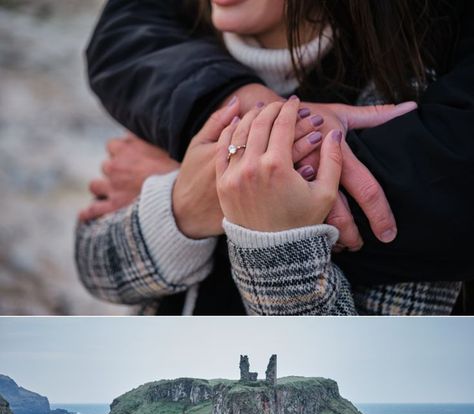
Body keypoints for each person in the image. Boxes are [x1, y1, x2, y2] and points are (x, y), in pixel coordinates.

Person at [74, 1, 468, 315]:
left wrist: (197, 191)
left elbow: (348, 357)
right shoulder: (187, 61)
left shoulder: (404, 89)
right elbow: (96, 267)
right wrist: (190, 203)